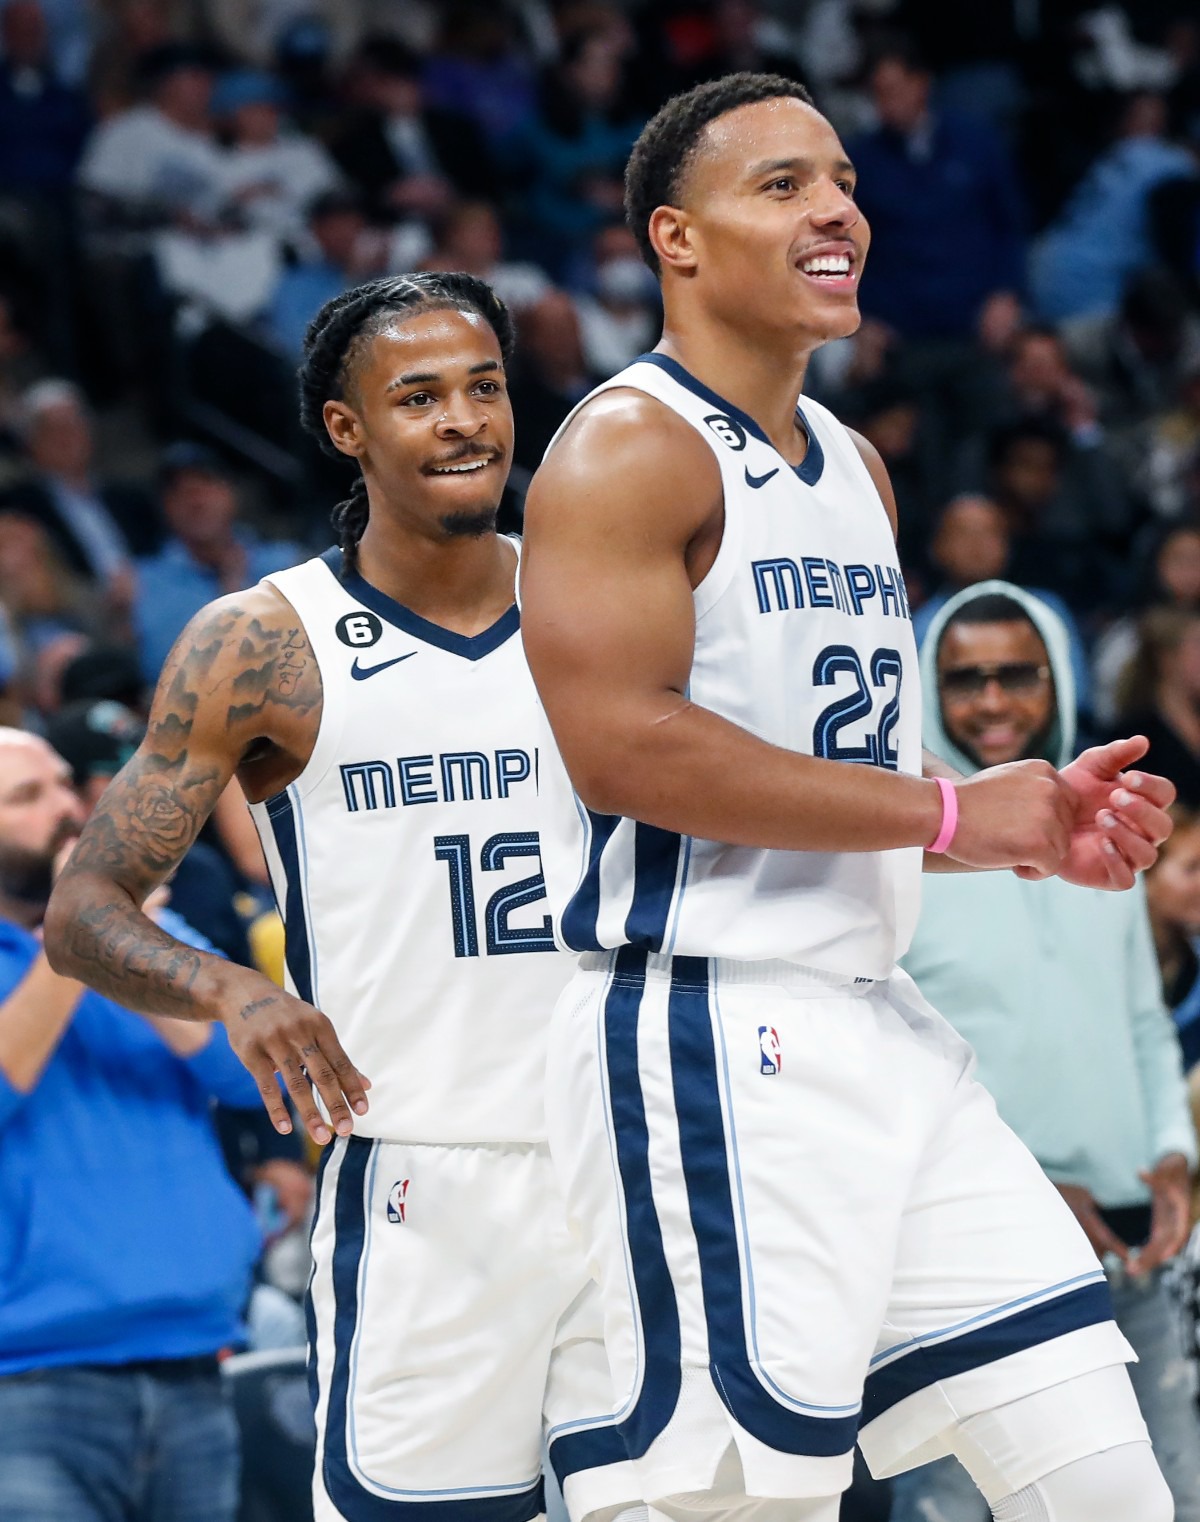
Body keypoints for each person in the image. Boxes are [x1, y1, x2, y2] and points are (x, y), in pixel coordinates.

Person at [518, 71, 1178, 1522]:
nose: (837, 210)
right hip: (707, 1028)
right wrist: (948, 818)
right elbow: (624, 747)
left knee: (1104, 1478)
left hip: (880, 1025)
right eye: (783, 186)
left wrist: (1012, 821)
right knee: (737, 1503)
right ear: (674, 241)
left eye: (844, 182)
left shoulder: (858, 469)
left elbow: (836, 769)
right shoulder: (627, 446)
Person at [44, 271, 639, 1522]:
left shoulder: (606, 601)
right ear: (345, 428)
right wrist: (230, 989)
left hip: (632, 1154)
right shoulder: (261, 641)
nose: (466, 418)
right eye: (418, 395)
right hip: (428, 1172)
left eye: (484, 386)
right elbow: (84, 908)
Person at [890, 583, 1200, 1521]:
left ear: (1056, 676)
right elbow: (889, 1050)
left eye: (1016, 674)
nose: (991, 701)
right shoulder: (898, 842)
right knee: (958, 1503)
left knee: (1170, 1498)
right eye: (964, 678)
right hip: (971, 1239)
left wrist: (1174, 1162)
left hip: (1135, 1228)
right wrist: (1034, 1184)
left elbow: (1143, 1023)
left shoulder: (1096, 830)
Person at [0, 727, 264, 1522]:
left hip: (194, 1356)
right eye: (26, 796)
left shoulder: (155, 932)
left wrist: (125, 942)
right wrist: (79, 934)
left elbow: (252, 1076)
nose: (69, 809)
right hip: (30, 1384)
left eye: (64, 786)